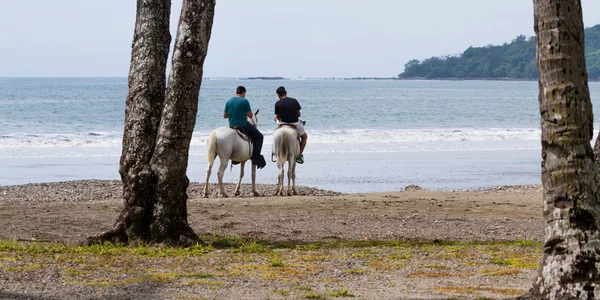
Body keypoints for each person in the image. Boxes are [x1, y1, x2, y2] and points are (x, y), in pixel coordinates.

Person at [224, 86, 266, 169]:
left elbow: (225, 116)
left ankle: (234, 158)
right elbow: (250, 115)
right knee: (260, 136)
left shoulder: (229, 101)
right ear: (243, 92)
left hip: (231, 126)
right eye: (245, 93)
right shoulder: (244, 101)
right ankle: (256, 157)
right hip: (243, 125)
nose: (245, 95)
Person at [274, 86, 307, 164]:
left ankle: (275, 153)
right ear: (286, 93)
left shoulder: (277, 103)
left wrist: (276, 118)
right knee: (304, 137)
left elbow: (278, 117)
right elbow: (299, 114)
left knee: (276, 135)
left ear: (278, 95)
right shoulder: (294, 101)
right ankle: (299, 156)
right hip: (295, 123)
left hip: (283, 123)